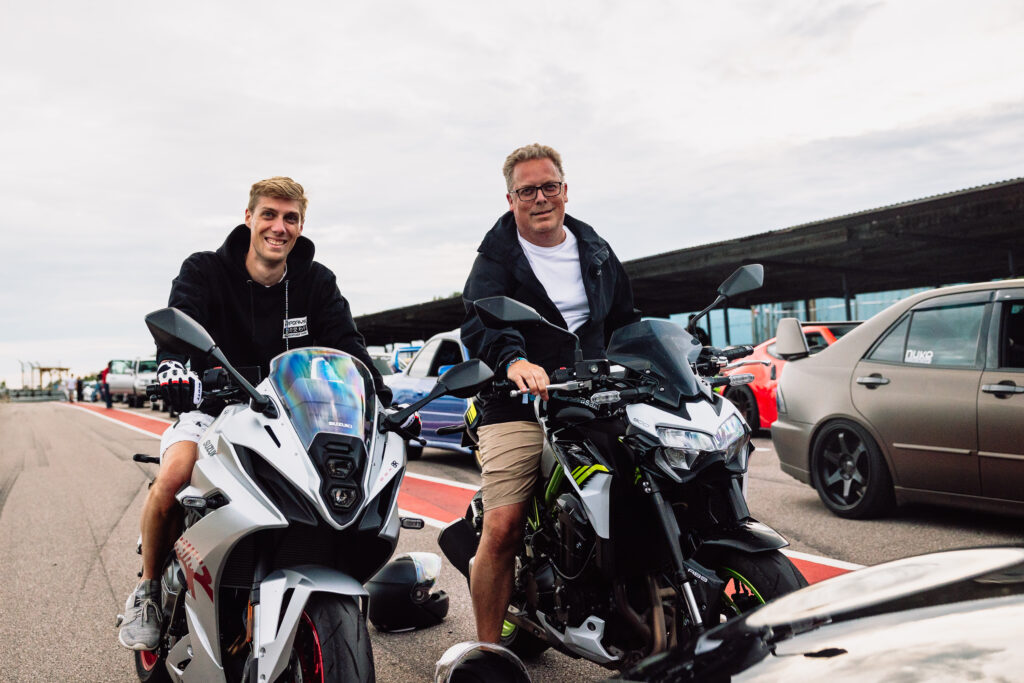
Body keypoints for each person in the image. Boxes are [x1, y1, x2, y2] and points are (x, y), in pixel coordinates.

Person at [118, 176, 392, 651]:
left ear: (301, 224)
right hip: (214, 409)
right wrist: (175, 370)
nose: (279, 227)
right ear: (249, 217)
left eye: (290, 218)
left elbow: (349, 345)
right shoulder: (205, 270)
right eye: (269, 214)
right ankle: (146, 591)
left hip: (290, 418)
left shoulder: (316, 281)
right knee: (175, 475)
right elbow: (179, 324)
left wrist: (379, 396)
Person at [460, 144, 638, 643]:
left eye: (549, 186)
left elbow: (625, 320)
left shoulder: (596, 250)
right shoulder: (495, 259)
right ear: (511, 198)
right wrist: (514, 361)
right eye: (527, 190)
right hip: (517, 401)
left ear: (565, 189)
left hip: (593, 394)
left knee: (651, 475)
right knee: (504, 525)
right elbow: (482, 321)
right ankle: (487, 653)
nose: (540, 198)